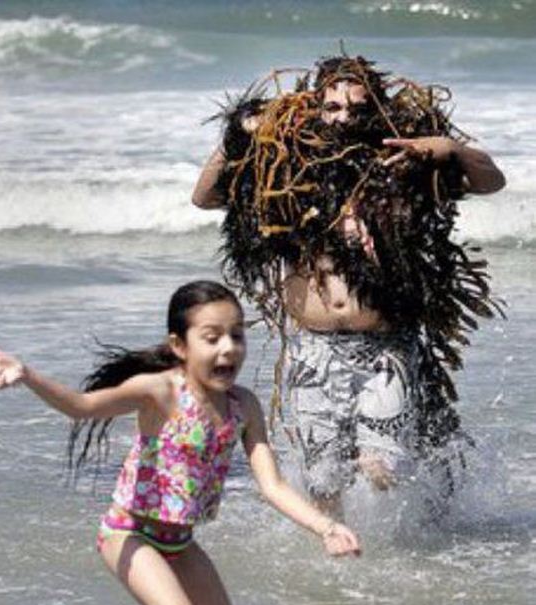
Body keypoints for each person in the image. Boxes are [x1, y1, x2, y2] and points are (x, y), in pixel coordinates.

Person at [0, 280, 360, 605]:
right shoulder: (160, 391)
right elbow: (82, 407)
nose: (228, 349)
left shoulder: (244, 406)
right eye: (212, 337)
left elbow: (271, 485)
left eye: (237, 335)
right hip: (128, 533)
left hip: (179, 542)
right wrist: (27, 376)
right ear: (179, 345)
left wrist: (326, 528)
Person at [192, 56, 506, 510]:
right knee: (322, 485)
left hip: (385, 348)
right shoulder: (287, 174)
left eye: (357, 110)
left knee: (381, 469)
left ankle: (417, 546)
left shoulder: (403, 169)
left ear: (376, 111)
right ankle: (340, 567)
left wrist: (451, 149)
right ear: (315, 108)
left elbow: (490, 182)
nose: (344, 119)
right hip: (311, 350)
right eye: (333, 108)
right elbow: (204, 197)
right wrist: (238, 133)